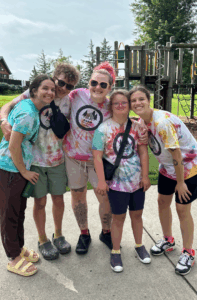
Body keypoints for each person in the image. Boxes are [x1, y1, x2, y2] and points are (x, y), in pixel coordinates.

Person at [0, 63, 80, 260]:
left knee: (59, 199)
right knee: (40, 201)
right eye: (59, 82)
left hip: (57, 159)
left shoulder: (69, 102)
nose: (61, 88)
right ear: (54, 78)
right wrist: (4, 121)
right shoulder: (32, 95)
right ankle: (42, 239)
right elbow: (7, 105)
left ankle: (58, 235)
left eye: (68, 86)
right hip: (34, 160)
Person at [129, 85, 197, 276]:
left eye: (141, 99)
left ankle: (188, 252)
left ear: (148, 99)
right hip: (168, 167)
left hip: (189, 167)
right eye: (133, 100)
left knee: (182, 208)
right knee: (162, 202)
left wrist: (180, 182)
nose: (137, 103)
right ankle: (168, 240)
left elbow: (176, 152)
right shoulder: (145, 120)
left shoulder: (161, 123)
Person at [0, 74, 55, 276]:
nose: (49, 92)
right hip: (10, 168)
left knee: (18, 211)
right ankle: (13, 258)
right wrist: (24, 171)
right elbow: (14, 146)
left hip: (17, 168)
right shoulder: (28, 114)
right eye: (45, 88)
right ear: (33, 90)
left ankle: (19, 248)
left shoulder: (32, 108)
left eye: (52, 89)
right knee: (8, 214)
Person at [92, 89, 151, 272]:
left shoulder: (137, 127)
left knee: (137, 215)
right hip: (116, 184)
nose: (120, 106)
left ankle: (139, 245)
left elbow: (142, 152)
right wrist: (101, 181)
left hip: (136, 182)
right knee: (118, 218)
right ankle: (115, 251)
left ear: (129, 105)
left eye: (124, 102)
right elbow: (97, 157)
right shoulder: (103, 129)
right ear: (111, 106)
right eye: (116, 103)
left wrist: (145, 175)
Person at [62, 62, 116, 254]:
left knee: (105, 198)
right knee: (78, 195)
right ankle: (84, 233)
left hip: (97, 161)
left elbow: (126, 121)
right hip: (73, 157)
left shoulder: (111, 106)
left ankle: (106, 232)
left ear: (110, 88)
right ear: (88, 82)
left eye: (103, 85)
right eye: (94, 82)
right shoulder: (76, 95)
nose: (97, 87)